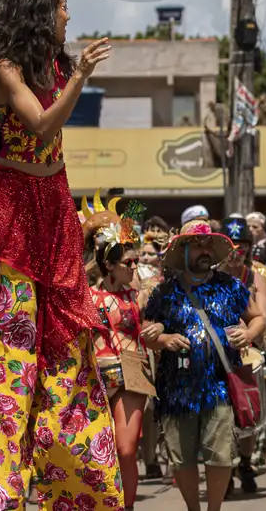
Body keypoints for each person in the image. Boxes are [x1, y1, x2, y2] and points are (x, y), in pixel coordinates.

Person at [0, 0, 122, 511]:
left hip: (54, 206)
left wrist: (74, 73)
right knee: (9, 351)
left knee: (67, 349)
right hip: (13, 213)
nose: (68, 16)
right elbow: (43, 126)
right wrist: (83, 76)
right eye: (63, 6)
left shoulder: (58, 65)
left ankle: (77, 489)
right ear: (39, 14)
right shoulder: (7, 69)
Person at [141, 221, 266, 511]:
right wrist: (165, 339)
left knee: (220, 456)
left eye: (208, 245)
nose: (205, 251)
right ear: (183, 251)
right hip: (176, 389)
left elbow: (258, 317)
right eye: (198, 246)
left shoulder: (230, 286)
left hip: (220, 385)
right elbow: (147, 334)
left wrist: (248, 334)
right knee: (181, 458)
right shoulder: (164, 292)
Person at [89, 211, 152, 511]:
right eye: (128, 262)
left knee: (126, 450)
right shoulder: (86, 298)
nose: (134, 267)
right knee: (99, 452)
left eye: (136, 261)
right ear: (109, 265)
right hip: (95, 379)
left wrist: (158, 328)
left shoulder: (140, 296)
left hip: (131, 375)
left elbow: (156, 324)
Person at [221, 215, 266, 493]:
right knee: (223, 415)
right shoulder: (210, 275)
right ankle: (226, 467)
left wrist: (248, 334)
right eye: (231, 245)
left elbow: (262, 316)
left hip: (248, 353)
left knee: (249, 414)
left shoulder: (256, 277)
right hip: (218, 354)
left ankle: (244, 462)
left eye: (242, 246)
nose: (236, 251)